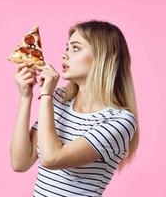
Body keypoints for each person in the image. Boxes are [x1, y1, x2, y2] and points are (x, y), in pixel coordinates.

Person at [10, 19, 140, 196]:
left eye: (76, 48)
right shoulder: (59, 99)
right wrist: (26, 97)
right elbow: (20, 162)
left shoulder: (120, 121)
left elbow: (51, 158)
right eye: (67, 48)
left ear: (103, 56)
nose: (64, 55)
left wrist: (46, 95)